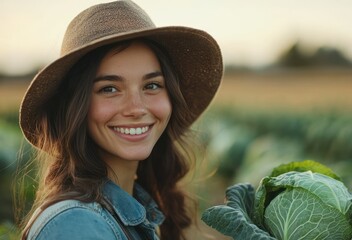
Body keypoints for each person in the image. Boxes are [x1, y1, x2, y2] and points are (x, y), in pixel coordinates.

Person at [18, 0, 223, 239]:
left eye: (153, 85)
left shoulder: (133, 209)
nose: (136, 108)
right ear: (75, 107)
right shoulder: (76, 224)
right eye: (109, 89)